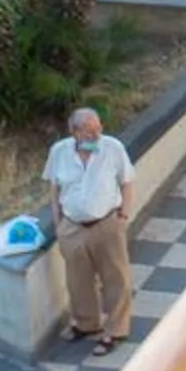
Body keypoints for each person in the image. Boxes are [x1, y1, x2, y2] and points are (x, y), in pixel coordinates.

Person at [43, 104, 135, 355]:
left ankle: (116, 330)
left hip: (106, 223)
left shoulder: (112, 148)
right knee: (78, 281)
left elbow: (127, 182)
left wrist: (123, 215)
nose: (96, 135)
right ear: (74, 132)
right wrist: (59, 222)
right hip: (72, 227)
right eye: (89, 131)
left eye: (98, 129)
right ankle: (86, 324)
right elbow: (54, 189)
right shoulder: (59, 152)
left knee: (115, 278)